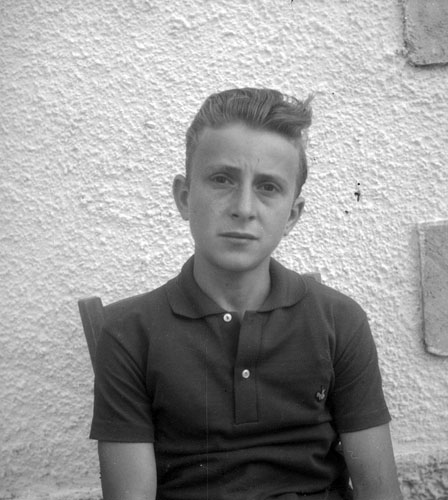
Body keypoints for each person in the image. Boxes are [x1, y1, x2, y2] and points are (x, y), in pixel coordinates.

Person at [90, 88, 402, 500]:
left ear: (292, 215)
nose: (244, 208)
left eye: (268, 187)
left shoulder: (339, 321)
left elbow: (378, 490)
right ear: (184, 197)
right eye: (222, 179)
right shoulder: (128, 333)